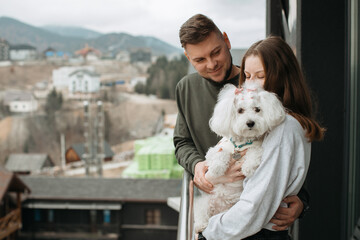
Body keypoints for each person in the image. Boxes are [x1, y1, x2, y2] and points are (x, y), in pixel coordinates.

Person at [173, 13, 316, 238]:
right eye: (200, 60)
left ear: (227, 42)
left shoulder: (260, 95)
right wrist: (198, 166)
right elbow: (182, 141)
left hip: (250, 216)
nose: (211, 64)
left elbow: (283, 158)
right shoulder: (186, 88)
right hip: (219, 203)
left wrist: (302, 201)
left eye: (216, 52)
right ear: (188, 58)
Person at [200, 36, 325, 239]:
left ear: (283, 77)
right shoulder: (274, 125)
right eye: (247, 76)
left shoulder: (283, 127)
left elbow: (254, 206)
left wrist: (207, 234)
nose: (251, 85)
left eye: (260, 76)